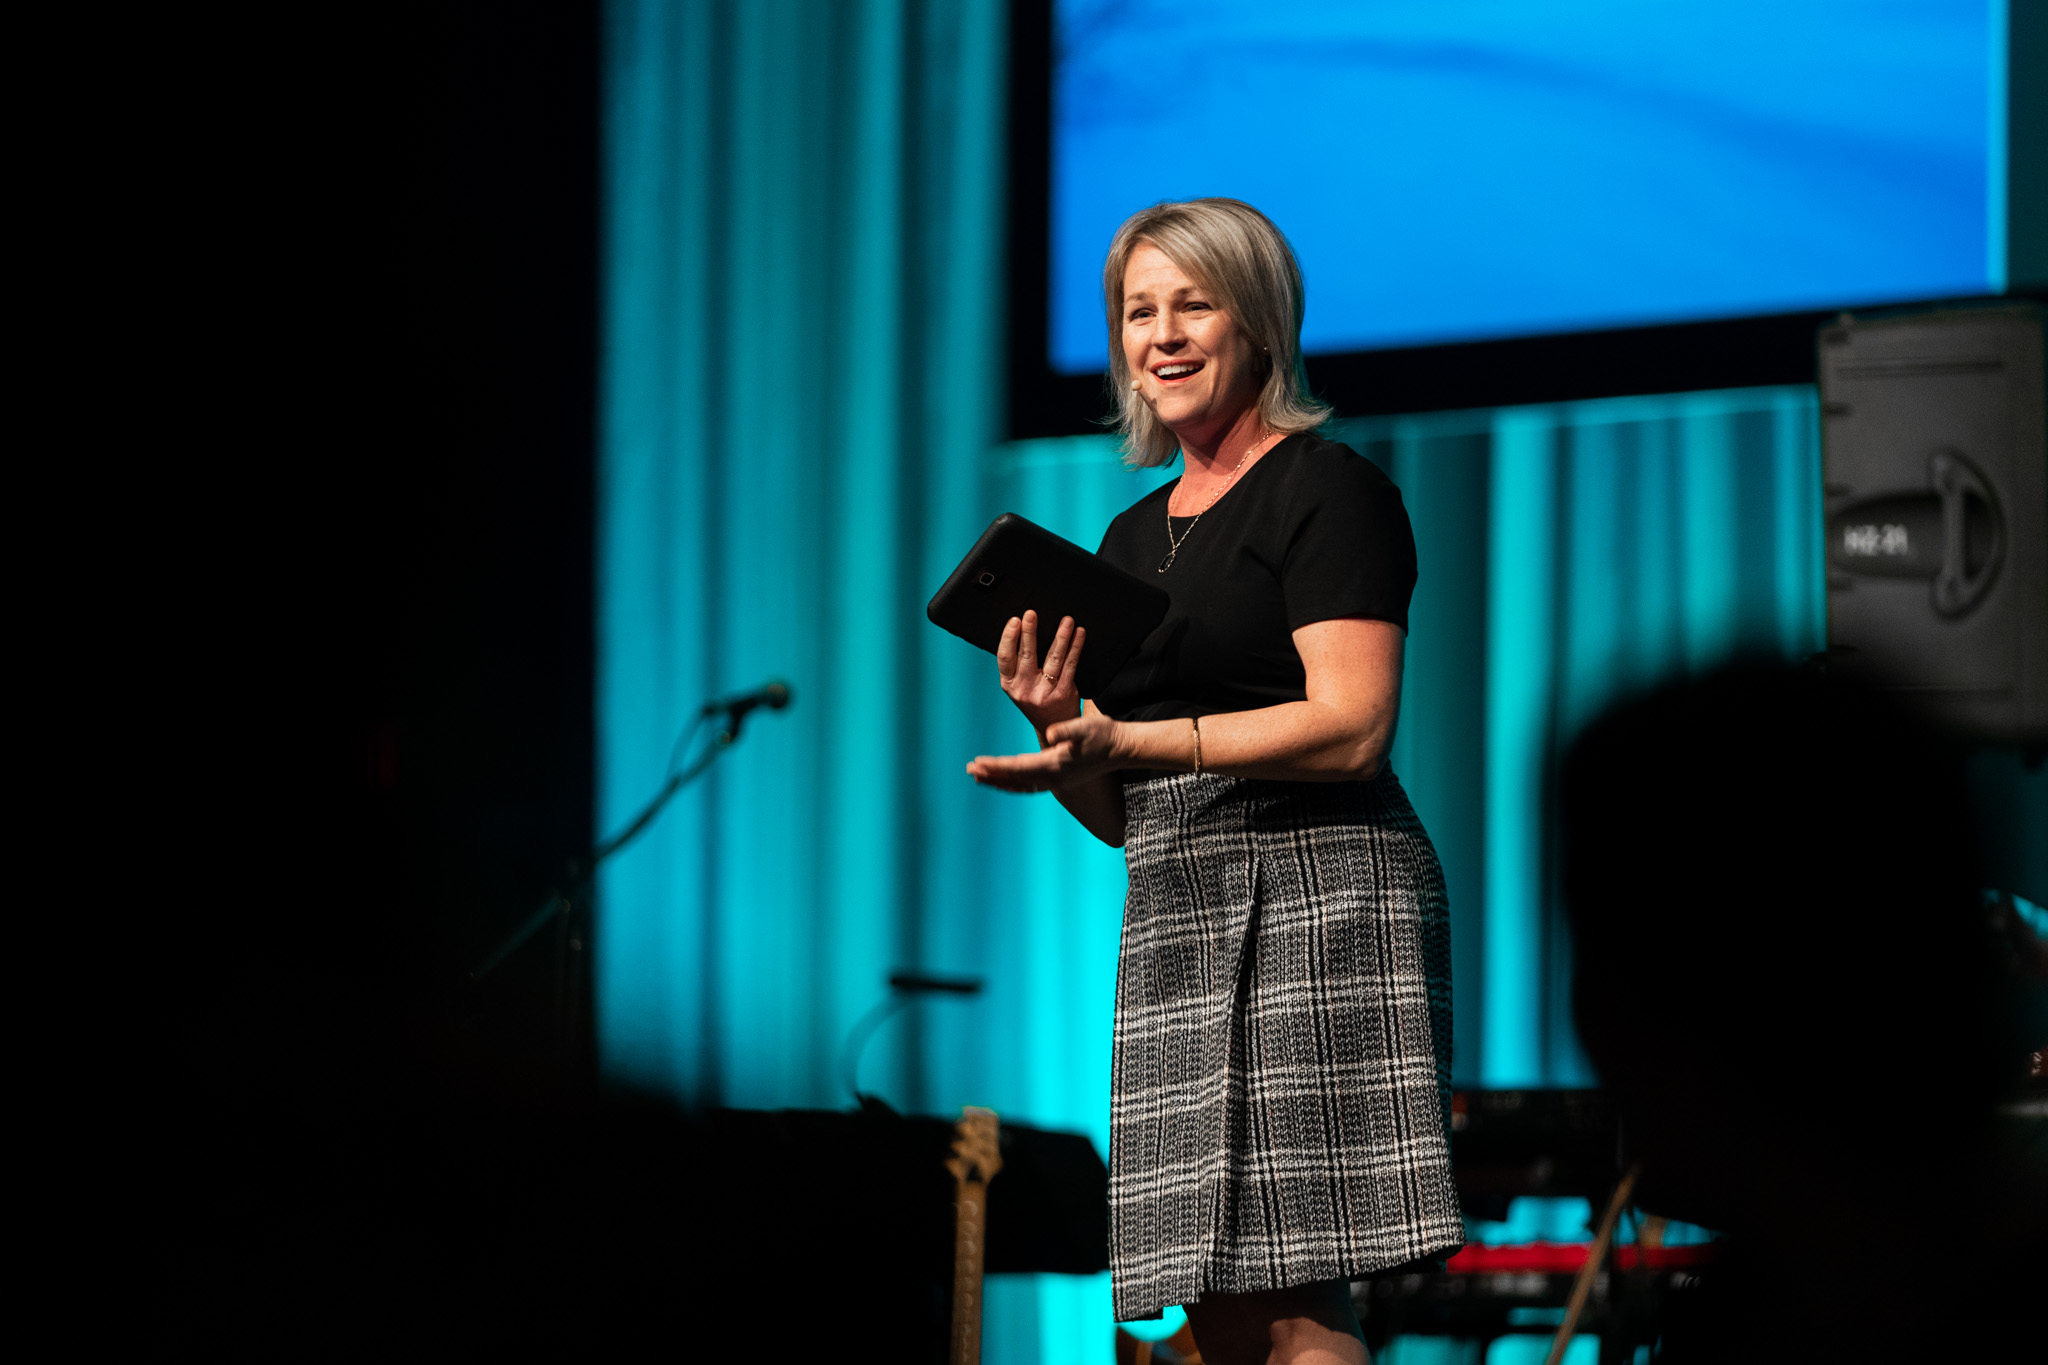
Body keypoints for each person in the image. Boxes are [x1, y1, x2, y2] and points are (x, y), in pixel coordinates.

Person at [967, 199, 1461, 1365]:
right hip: (1181, 905)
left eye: (1193, 302)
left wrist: (1138, 742)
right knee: (1214, 1299)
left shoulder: (1327, 488)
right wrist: (1060, 728)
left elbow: (1352, 729)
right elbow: (1127, 821)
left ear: (1258, 323)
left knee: (1295, 1296)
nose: (1163, 334)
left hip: (1323, 899)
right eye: (1139, 311)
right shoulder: (1129, 539)